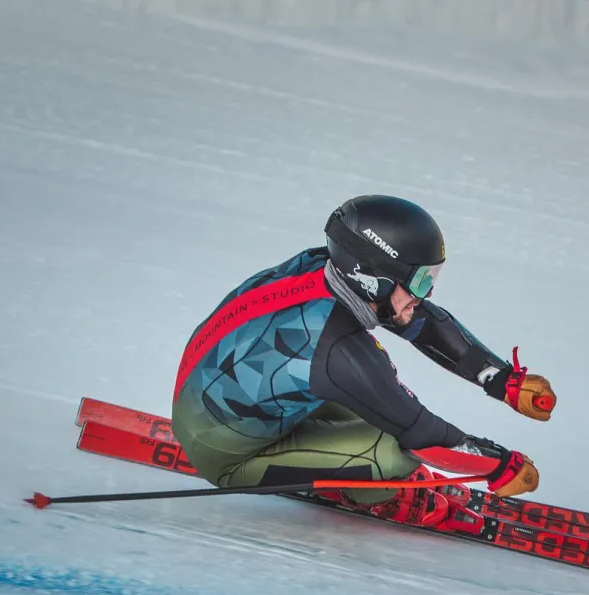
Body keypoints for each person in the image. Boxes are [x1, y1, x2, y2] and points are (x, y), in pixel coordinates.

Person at [170, 194, 556, 531]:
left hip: (212, 395)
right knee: (390, 452)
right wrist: (499, 466)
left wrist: (502, 380)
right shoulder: (338, 350)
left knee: (376, 402)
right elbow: (421, 435)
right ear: (375, 280)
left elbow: (421, 323)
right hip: (224, 454)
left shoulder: (324, 268)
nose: (427, 292)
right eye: (421, 281)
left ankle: (325, 449)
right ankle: (378, 493)